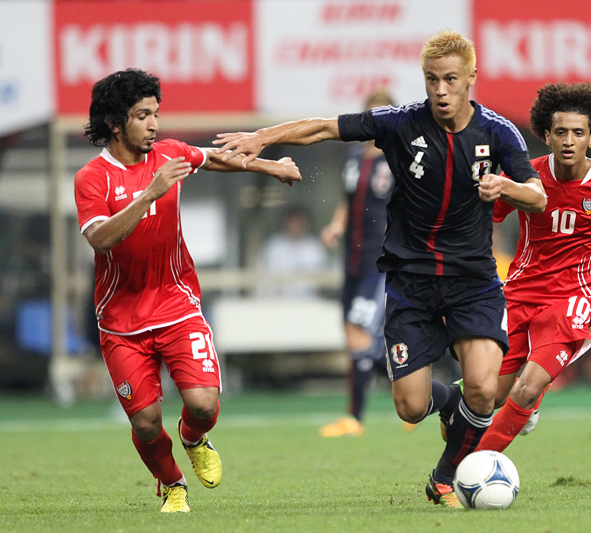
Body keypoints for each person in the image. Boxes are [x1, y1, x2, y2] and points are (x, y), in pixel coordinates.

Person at [215, 29, 547, 507]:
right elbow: (323, 127)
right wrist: (262, 137)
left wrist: (506, 187)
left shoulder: (498, 132)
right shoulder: (401, 122)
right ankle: (448, 403)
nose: (440, 90)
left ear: (471, 77)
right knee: (411, 407)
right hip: (412, 283)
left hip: (473, 280)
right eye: (431, 79)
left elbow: (537, 195)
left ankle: (445, 477)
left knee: (483, 388)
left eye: (451, 79)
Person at [73, 68, 301, 513]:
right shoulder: (92, 178)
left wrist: (269, 166)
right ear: (116, 123)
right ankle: (173, 484)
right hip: (121, 321)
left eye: (155, 114)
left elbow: (212, 159)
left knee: (202, 403)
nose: (154, 125)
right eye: (143, 116)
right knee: (145, 422)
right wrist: (149, 194)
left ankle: (193, 438)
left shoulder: (169, 153)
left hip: (176, 303)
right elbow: (99, 238)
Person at [473, 82, 591, 453]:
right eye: (560, 132)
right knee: (487, 396)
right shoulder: (527, 178)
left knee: (527, 388)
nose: (568, 141)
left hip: (573, 298)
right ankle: (470, 413)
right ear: (546, 136)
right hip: (520, 292)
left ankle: (472, 467)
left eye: (577, 133)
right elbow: (488, 218)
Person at [318, 89, 396, 438]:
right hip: (351, 260)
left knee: (357, 330)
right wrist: (337, 226)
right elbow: (347, 203)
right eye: (371, 117)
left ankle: (355, 417)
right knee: (355, 338)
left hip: (379, 262)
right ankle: (414, 386)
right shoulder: (353, 158)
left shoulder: (397, 159)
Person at [260, 205, 329, 297]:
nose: (295, 226)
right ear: (286, 223)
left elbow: (322, 280)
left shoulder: (314, 248)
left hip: (309, 301)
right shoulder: (274, 246)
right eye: (292, 222)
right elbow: (264, 276)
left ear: (304, 223)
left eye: (298, 222)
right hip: (278, 301)